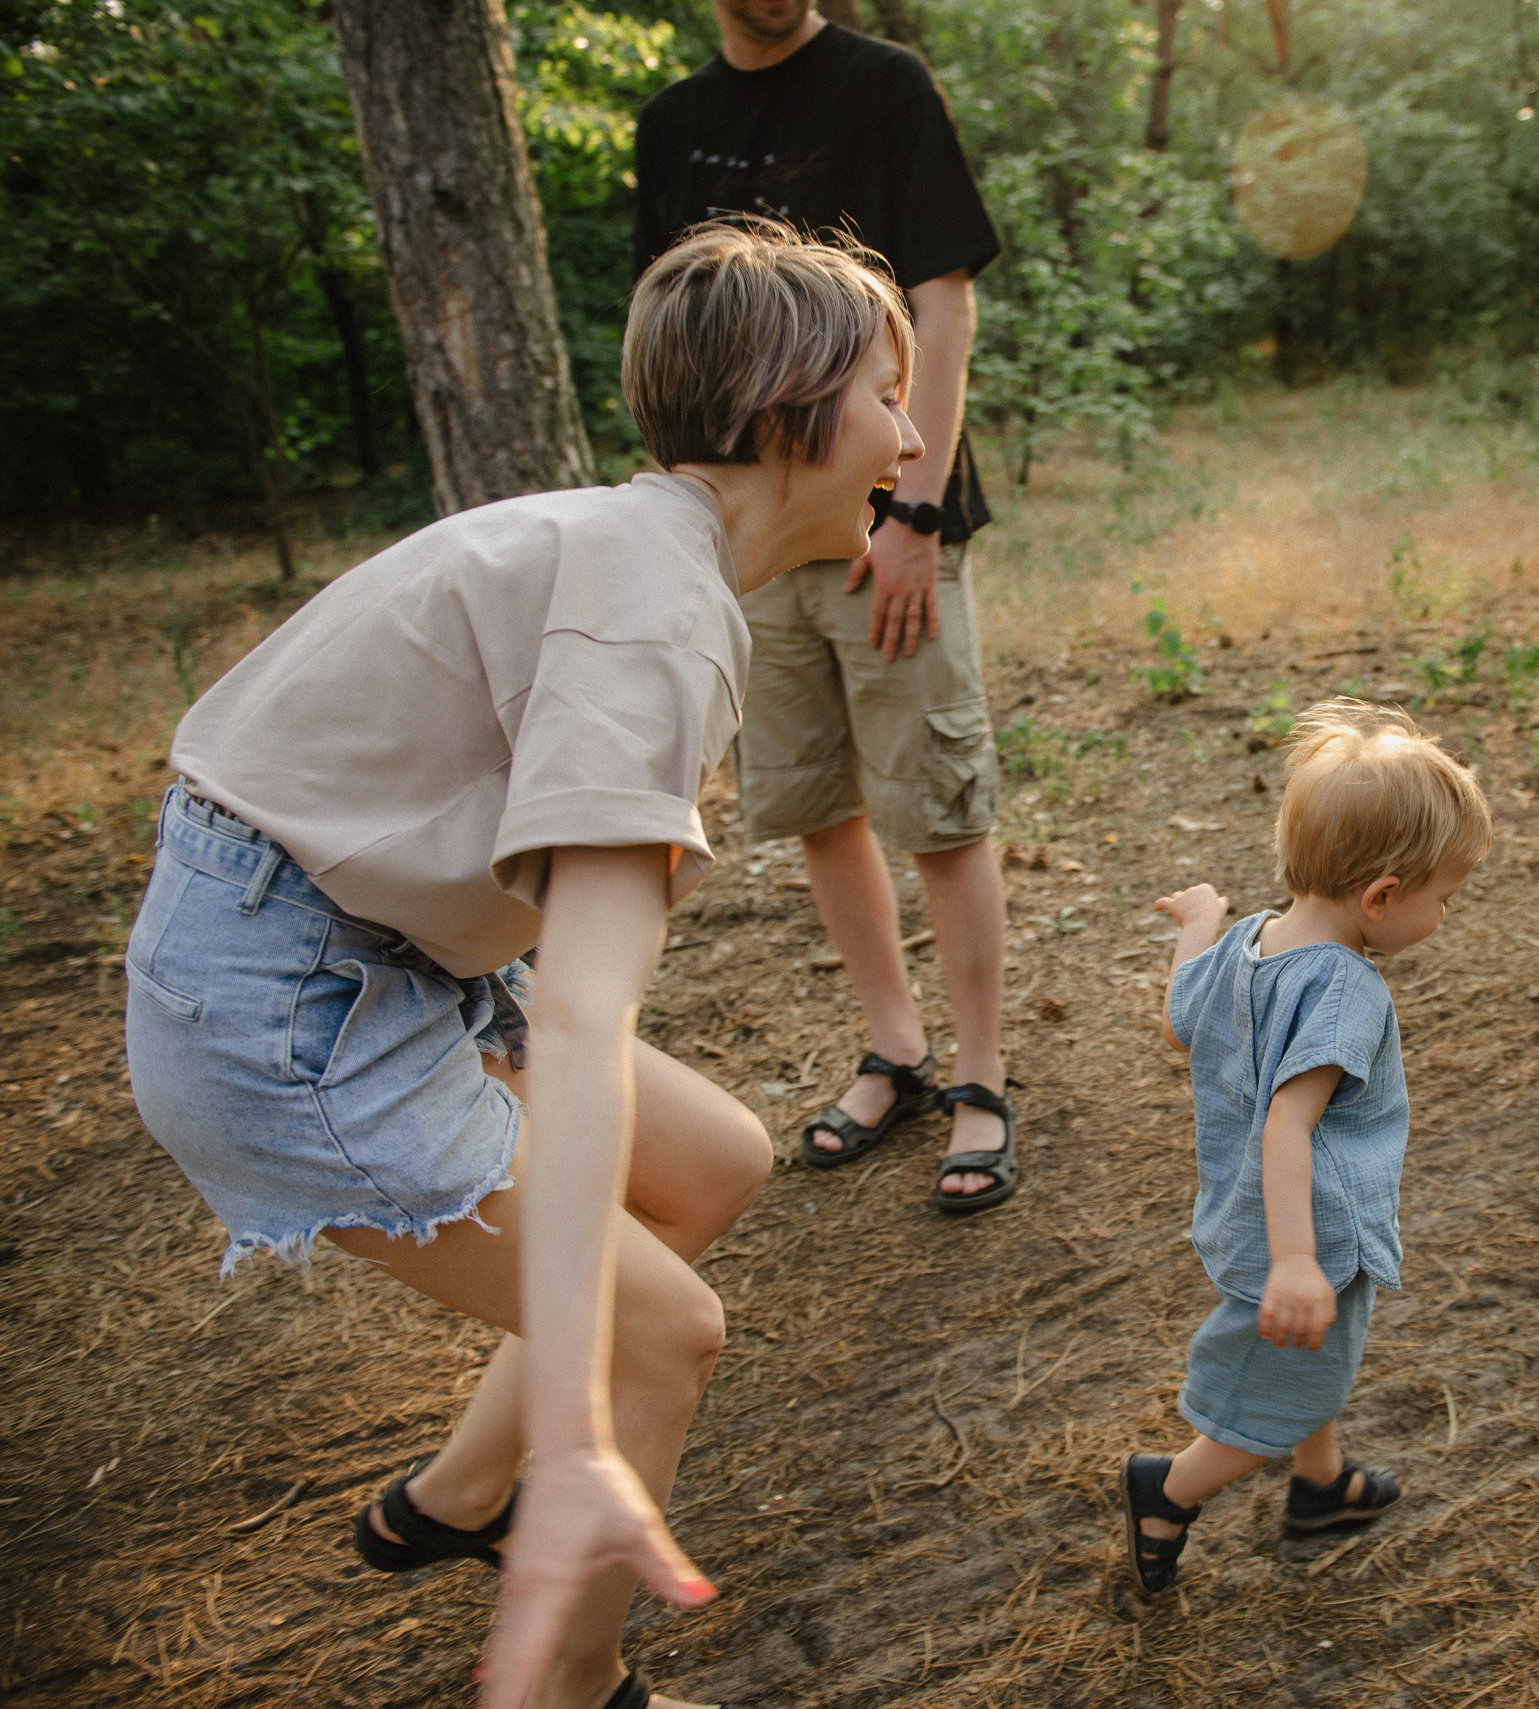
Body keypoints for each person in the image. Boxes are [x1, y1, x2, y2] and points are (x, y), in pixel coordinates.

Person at [122, 221, 920, 1709]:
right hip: (279, 997)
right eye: (888, 396)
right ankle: (577, 1686)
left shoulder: (635, 548)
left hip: (361, 939)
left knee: (714, 1162)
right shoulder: (654, 612)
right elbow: (587, 1007)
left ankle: (455, 1499)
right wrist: (583, 1425)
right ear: (786, 413)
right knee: (661, 1336)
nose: (912, 438)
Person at [634, 1, 1018, 1212]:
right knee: (813, 800)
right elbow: (675, 339)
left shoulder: (883, 85)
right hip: (751, 535)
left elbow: (941, 303)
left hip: (884, 519)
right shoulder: (674, 122)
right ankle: (894, 1049)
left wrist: (914, 511)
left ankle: (980, 1073)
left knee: (936, 803)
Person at [1121, 701, 1493, 1595]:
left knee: (1313, 1362)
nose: (1446, 912)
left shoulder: (1250, 939)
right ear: (1381, 897)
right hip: (1307, 1232)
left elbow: (1179, 1023)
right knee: (1274, 1398)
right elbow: (1288, 1123)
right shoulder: (1346, 991)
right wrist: (1297, 1262)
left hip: (1243, 1211)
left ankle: (1320, 1483)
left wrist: (1198, 924)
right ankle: (1167, 1490)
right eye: (1444, 897)